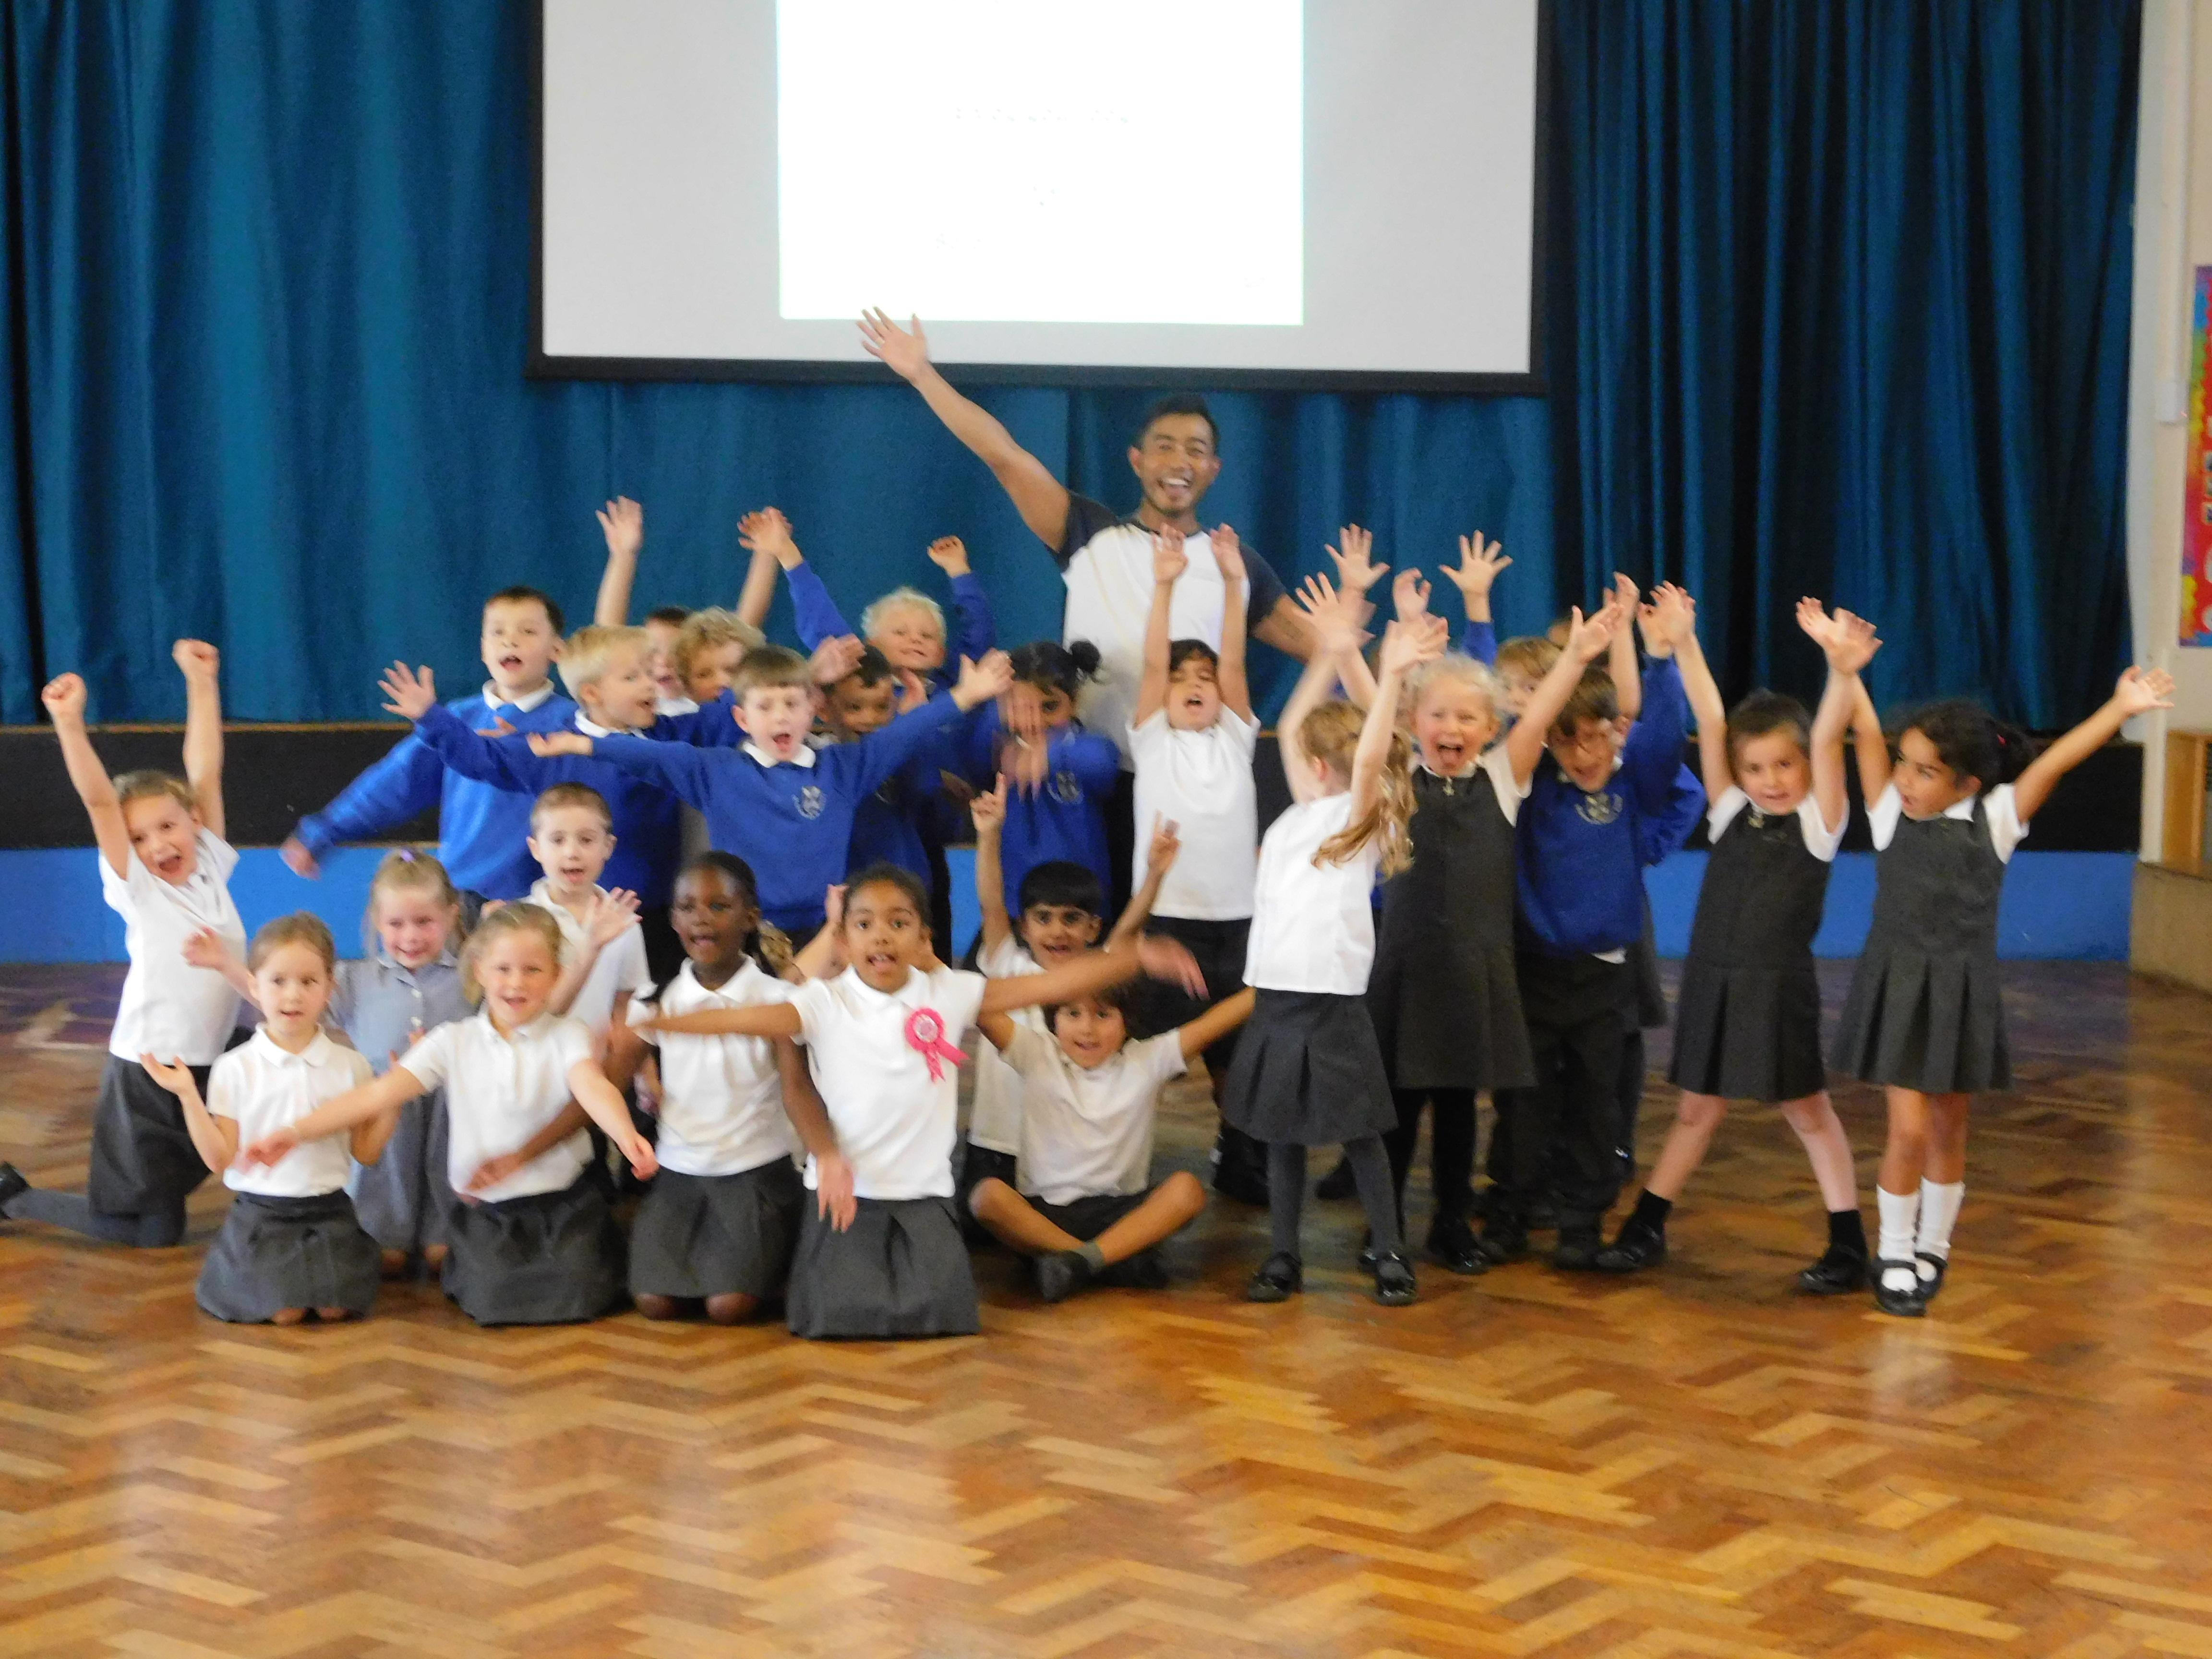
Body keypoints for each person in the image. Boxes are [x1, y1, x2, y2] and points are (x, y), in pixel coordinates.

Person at [630, 864, 1205, 1340]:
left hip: (923, 1193)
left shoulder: (950, 992)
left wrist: (1136, 958)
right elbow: (743, 1019)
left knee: (937, 1316)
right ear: (845, 939)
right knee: (835, 1319)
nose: (881, 936)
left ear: (923, 936)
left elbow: (1051, 986)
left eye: (898, 923)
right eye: (865, 924)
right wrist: (664, 1023)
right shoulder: (823, 1001)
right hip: (848, 1191)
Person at [1835, 654, 2175, 1316]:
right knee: (1908, 1130)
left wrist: (2119, 709)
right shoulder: (1888, 813)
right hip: (1900, 988)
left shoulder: (1994, 820)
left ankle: (1934, 1245)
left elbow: (2053, 763)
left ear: (1965, 784)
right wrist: (1846, 674)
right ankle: (1894, 1251)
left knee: (1949, 1124)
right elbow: (1868, 736)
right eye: (1903, 763)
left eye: (1924, 771)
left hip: (1959, 990)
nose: (1904, 779)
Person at [1595, 599, 1868, 1287]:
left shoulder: (1820, 824)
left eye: (1785, 765)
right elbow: (1713, 722)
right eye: (1756, 768)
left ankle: (1848, 1244)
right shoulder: (1730, 813)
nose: (1771, 781)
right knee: (1696, 1108)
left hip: (1777, 987)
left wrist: (1841, 672)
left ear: (1806, 766)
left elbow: (1830, 738)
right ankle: (1647, 1226)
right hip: (1713, 981)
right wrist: (1685, 644)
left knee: (1808, 1111)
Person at [237, 904, 659, 1325]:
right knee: (495, 1300)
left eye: (532, 970)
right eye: (503, 969)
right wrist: (294, 1132)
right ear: (480, 971)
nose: (516, 983)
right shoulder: (453, 1040)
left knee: (581, 1292)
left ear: (555, 976)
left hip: (562, 1205)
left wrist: (626, 1135)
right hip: (490, 1214)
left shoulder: (568, 1035)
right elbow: (377, 1095)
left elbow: (592, 1085)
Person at [1367, 594, 1611, 1277]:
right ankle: (1384, 1230)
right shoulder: (1396, 775)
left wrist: (1577, 657)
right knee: (1397, 1107)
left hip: (1472, 970)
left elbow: (1539, 714)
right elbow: (1374, 725)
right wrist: (1392, 672)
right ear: (1414, 722)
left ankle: (1451, 1223)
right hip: (1407, 969)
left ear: (1490, 728)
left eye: (1467, 717)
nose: (1452, 727)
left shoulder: (1503, 778)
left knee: (1456, 1108)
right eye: (1439, 715)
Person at [1227, 575, 1444, 1308]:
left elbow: (1376, 754)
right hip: (1277, 999)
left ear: (1323, 768)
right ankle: (1283, 1254)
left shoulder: (1358, 820)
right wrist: (1328, 650)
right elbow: (1294, 721)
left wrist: (1391, 677)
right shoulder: (1298, 818)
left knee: (1359, 1135)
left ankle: (1390, 1250)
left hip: (1330, 1004)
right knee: (1281, 1136)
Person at [1481, 586, 1702, 1272]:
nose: (1587, 752)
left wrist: (1661, 659)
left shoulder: (1631, 788)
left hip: (1605, 980)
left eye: (1600, 734)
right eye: (1569, 738)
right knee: (1525, 1104)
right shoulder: (1531, 788)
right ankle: (1511, 1213)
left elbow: (1661, 742)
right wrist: (1571, 661)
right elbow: (1516, 730)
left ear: (1618, 733)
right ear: (1550, 741)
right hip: (1534, 973)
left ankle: (1581, 1223)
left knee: (1596, 1105)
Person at [1, 645, 248, 1248]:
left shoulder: (211, 867)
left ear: (193, 821)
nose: (158, 845)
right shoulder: (139, 889)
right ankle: (13, 1197)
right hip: (150, 1073)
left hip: (212, 1063)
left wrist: (202, 683)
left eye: (167, 826)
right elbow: (99, 801)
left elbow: (205, 772)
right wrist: (68, 723)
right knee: (148, 1233)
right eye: (138, 837)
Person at [529, 645, 1013, 939]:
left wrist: (966, 695)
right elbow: (649, 756)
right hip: (745, 932)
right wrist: (585, 744)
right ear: (743, 718)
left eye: (791, 704)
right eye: (765, 707)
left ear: (812, 711)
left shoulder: (843, 769)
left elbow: (903, 734)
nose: (780, 717)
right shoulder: (715, 771)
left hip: (827, 928)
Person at [145, 914, 391, 1324]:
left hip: (329, 1213)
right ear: (255, 986)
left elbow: (365, 1153)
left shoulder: (352, 1066)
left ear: (329, 989)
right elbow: (221, 1159)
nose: (293, 995)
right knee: (286, 1314)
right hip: (263, 1216)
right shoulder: (235, 1067)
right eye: (278, 981)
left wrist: (394, 1099)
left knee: (334, 1310)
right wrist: (188, 1095)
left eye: (309, 982)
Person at [605, 854, 816, 1325]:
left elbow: (798, 1091)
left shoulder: (778, 1000)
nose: (701, 918)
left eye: (719, 906)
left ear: (751, 917)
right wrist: (625, 1134)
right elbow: (608, 1085)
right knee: (654, 1302)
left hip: (755, 1172)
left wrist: (827, 1158)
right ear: (673, 919)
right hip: (680, 1172)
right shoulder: (656, 1001)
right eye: (687, 907)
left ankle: (781, 1250)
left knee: (728, 1306)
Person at [1124, 523, 1264, 1205]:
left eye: (1203, 678)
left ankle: (1240, 1155)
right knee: (1139, 1051)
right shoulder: (1153, 740)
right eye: (1181, 679)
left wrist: (1235, 583)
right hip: (1166, 923)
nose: (1192, 685)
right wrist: (1166, 585)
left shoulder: (1236, 738)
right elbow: (1154, 664)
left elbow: (1233, 660)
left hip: (1235, 923)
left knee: (1237, 1054)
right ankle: (1118, 1162)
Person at [284, 587, 578, 908]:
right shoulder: (456, 720)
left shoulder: (573, 725)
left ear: (557, 650)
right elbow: (396, 783)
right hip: (461, 898)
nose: (511, 642)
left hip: (547, 901)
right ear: (483, 649)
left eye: (528, 632)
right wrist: (325, 830)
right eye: (498, 632)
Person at [961, 782, 1177, 1215]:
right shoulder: (1007, 965)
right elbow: (991, 905)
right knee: (988, 1226)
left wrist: (1155, 874)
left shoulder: (1096, 978)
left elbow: (1128, 933)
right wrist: (989, 835)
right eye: (1043, 919)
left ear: (1093, 928)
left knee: (1061, 1219)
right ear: (1024, 927)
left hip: (1060, 1148)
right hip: (997, 1141)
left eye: (1072, 919)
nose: (1057, 931)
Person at [967, 983, 1255, 1302]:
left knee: (1188, 1190)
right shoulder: (1036, 1053)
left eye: (1103, 1015)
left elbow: (1212, 1024)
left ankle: (1074, 1263)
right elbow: (977, 1005)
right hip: (1046, 1219)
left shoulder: (1148, 1059)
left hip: (1121, 1214)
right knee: (986, 1197)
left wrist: (1269, 985)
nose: (1087, 1029)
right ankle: (1095, 1259)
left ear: (1127, 1021)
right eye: (1072, 1014)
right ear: (1053, 1019)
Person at [330, 852, 471, 1275]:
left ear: (451, 915)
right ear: (377, 920)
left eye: (424, 922)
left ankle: (443, 1228)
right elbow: (282, 998)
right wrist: (227, 966)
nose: (411, 936)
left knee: (442, 1252)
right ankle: (384, 1229)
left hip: (452, 1114)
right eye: (396, 924)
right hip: (385, 1117)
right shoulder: (354, 980)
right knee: (386, 1255)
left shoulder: (473, 978)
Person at [962, 641, 1121, 911]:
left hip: (1081, 906)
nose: (1034, 720)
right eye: (1019, 707)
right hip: (1015, 903)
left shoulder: (1087, 748)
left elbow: (1105, 764)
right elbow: (971, 760)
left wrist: (1051, 755)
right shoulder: (997, 747)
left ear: (1075, 702)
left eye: (1049, 707)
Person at [591, 495, 781, 714]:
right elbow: (608, 639)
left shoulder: (716, 706)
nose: (664, 661)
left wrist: (767, 554)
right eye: (653, 652)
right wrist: (623, 555)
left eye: (675, 652)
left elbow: (746, 627)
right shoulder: (648, 711)